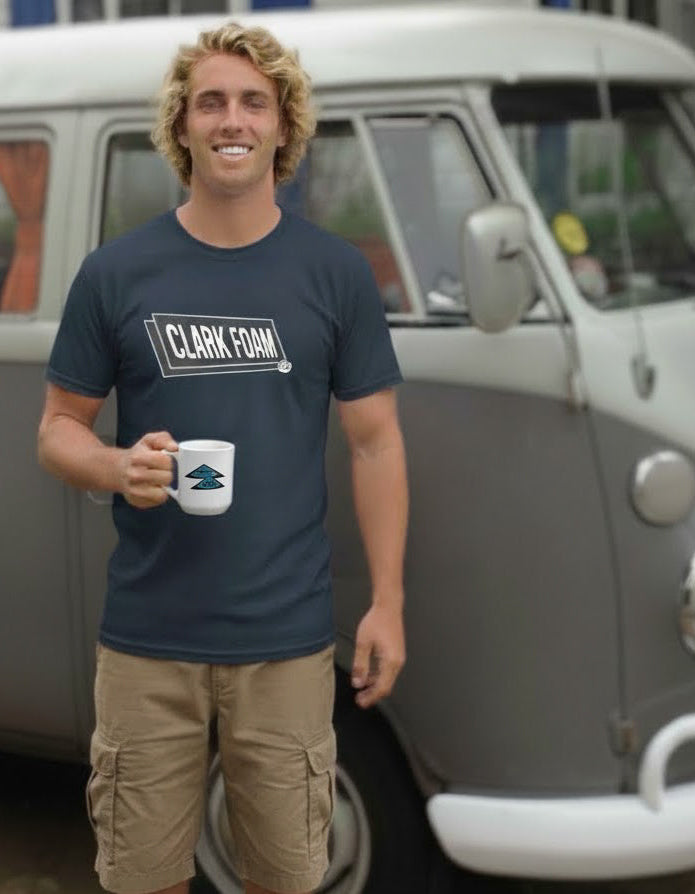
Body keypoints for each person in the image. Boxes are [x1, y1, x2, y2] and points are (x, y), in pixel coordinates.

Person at [37, 21, 407, 894]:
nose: (231, 119)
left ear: (283, 126)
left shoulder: (334, 274)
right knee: (141, 881)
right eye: (210, 102)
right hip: (146, 643)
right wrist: (117, 467)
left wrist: (388, 604)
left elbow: (376, 441)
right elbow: (56, 429)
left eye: (253, 103)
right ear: (182, 125)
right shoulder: (115, 274)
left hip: (285, 644)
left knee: (287, 879)